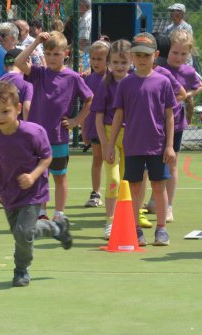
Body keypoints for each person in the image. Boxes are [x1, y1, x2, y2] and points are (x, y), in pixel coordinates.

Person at [0, 80, 72, 287]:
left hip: (33, 190)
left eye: (5, 111)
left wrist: (33, 175)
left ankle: (21, 269)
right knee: (21, 232)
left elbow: (46, 158)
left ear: (18, 109)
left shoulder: (33, 133)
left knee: (22, 232)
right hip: (7, 190)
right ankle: (57, 228)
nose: (0, 118)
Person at [15, 31, 93, 221]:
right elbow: (19, 62)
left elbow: (90, 100)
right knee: (41, 178)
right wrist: (36, 42)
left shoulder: (73, 77)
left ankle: (59, 214)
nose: (51, 58)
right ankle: (42, 213)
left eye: (56, 54)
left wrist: (76, 121)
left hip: (58, 137)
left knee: (60, 176)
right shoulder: (39, 73)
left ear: (66, 53)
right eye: (48, 54)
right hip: (37, 138)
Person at [108, 33, 177, 247]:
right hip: (133, 146)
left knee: (159, 187)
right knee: (135, 188)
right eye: (137, 55)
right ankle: (136, 229)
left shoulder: (163, 82)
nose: (141, 59)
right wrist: (110, 145)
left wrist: (170, 146)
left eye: (146, 55)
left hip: (157, 146)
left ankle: (161, 230)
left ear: (155, 55)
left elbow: (169, 116)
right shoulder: (126, 84)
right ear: (131, 56)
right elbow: (118, 115)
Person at [145, 30, 201, 223]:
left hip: (175, 124)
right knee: (152, 164)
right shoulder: (159, 69)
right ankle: (154, 199)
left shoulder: (188, 72)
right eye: (175, 53)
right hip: (153, 124)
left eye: (183, 54)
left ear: (189, 53)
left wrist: (188, 95)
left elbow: (197, 86)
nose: (178, 57)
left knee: (171, 164)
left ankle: (168, 206)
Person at [0, 48, 34, 209]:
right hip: (14, 132)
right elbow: (27, 109)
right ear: (25, 63)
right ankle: (2, 193)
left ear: (4, 66)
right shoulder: (26, 85)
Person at [93, 39, 131, 239]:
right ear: (109, 63)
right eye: (115, 62)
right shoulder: (105, 84)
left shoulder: (134, 82)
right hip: (110, 135)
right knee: (114, 180)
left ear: (131, 62)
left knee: (126, 181)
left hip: (131, 137)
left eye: (124, 62)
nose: (119, 66)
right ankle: (110, 221)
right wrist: (105, 144)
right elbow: (98, 117)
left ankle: (126, 220)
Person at [82, 40, 110, 209]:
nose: (96, 62)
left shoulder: (115, 78)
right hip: (94, 127)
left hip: (111, 127)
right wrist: (84, 130)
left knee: (114, 160)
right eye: (93, 58)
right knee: (97, 158)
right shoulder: (88, 80)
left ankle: (118, 191)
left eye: (100, 58)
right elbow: (86, 107)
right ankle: (96, 193)